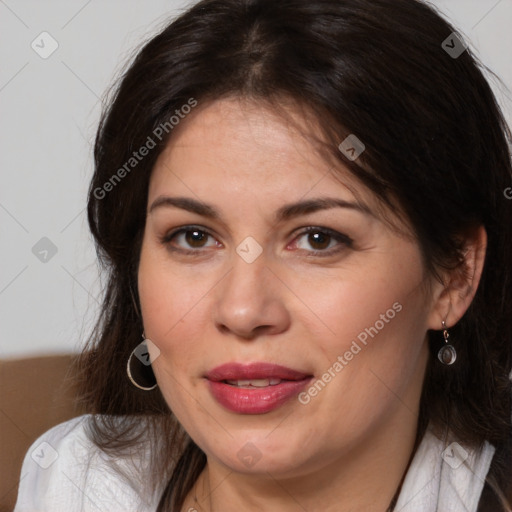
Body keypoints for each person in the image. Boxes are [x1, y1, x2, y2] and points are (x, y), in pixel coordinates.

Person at [14, 0, 512, 510]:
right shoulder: (75, 482)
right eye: (193, 236)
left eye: (319, 238)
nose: (243, 310)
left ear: (455, 275)